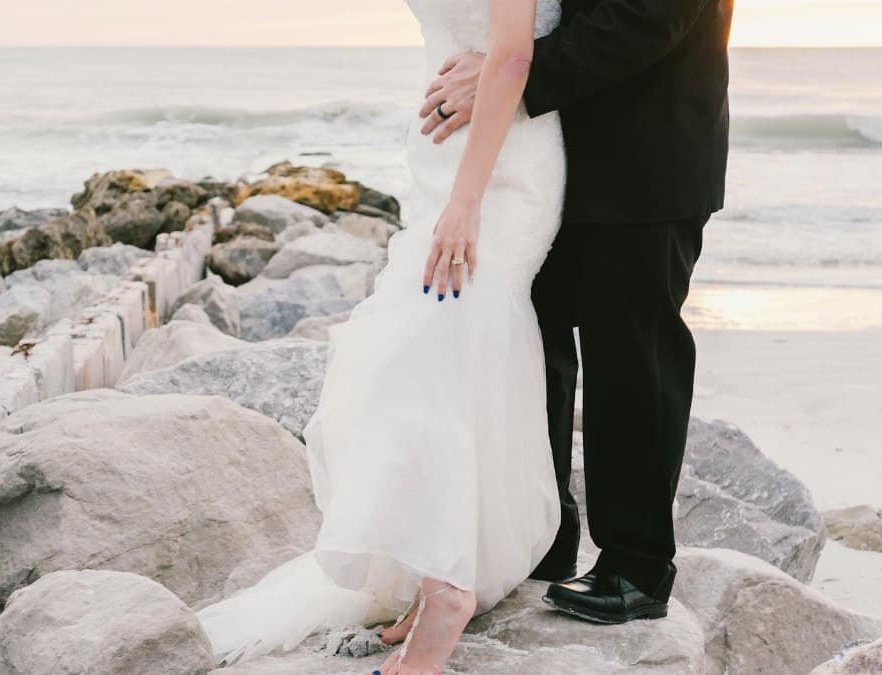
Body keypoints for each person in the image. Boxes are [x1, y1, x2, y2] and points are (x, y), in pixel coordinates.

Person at [197, 0, 732, 669]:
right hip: (552, 142)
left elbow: (650, 17)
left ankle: (637, 563)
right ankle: (541, 536)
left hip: (645, 147)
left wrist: (515, 77)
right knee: (526, 341)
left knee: (632, 349)